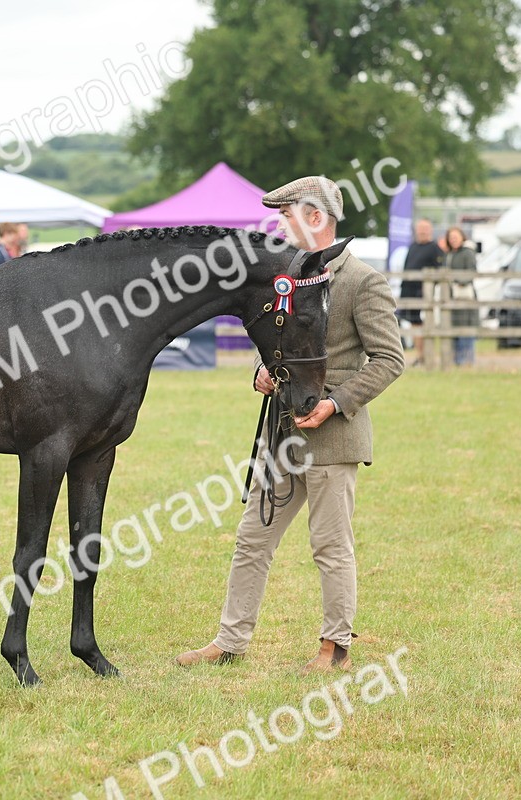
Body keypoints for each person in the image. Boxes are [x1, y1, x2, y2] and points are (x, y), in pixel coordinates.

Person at [175, 175, 405, 675]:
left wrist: (336, 403)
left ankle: (335, 648)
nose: (281, 224)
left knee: (330, 546)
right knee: (251, 540)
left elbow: (389, 359)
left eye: (287, 215)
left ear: (315, 217)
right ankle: (230, 641)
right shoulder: (292, 275)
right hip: (282, 434)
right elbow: (284, 348)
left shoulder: (362, 280)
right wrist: (265, 371)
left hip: (333, 435)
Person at [401, 220, 443, 363]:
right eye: (420, 228)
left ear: (430, 230)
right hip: (408, 291)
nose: (422, 231)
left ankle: (424, 355)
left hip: (422, 292)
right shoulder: (413, 246)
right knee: (413, 323)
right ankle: (420, 354)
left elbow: (440, 270)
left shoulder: (435, 248)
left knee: (423, 323)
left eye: (425, 228)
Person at [444, 227, 478, 366]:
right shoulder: (450, 254)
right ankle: (458, 361)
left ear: (462, 237)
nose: (453, 239)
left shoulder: (467, 253)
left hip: (465, 297)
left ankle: (467, 361)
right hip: (453, 296)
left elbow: (472, 272)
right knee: (454, 329)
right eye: (451, 237)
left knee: (466, 329)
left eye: (455, 236)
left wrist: (458, 282)